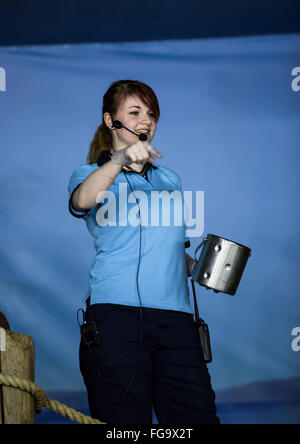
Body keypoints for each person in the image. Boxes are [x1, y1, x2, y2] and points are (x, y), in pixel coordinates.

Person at [68, 80, 219, 424]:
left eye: (151, 114)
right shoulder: (91, 173)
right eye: (134, 112)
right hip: (115, 318)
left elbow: (172, 251)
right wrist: (119, 159)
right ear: (111, 121)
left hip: (176, 321)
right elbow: (80, 202)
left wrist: (203, 269)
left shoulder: (170, 179)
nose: (145, 120)